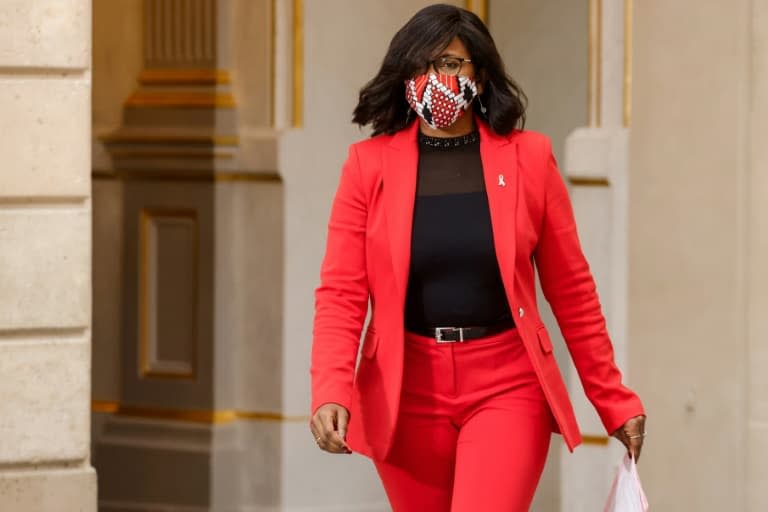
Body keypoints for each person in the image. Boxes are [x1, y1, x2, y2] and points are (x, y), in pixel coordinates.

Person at [308, 4, 646, 511]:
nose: (432, 79)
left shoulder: (529, 159)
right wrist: (331, 389)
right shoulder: (367, 167)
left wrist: (613, 399)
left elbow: (572, 289)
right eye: (420, 67)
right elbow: (341, 292)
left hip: (507, 384)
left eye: (447, 64)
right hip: (405, 394)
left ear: (481, 75)